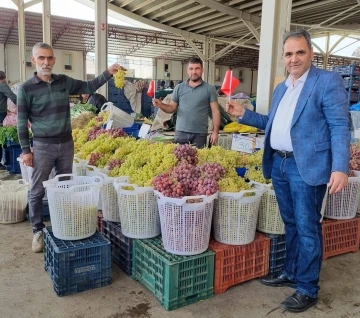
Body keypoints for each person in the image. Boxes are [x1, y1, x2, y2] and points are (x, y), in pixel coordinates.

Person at [226, 30, 350, 313]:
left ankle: (307, 288)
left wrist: (340, 167)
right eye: (289, 54)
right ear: (283, 58)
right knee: (291, 223)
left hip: (306, 166)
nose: (294, 59)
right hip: (280, 164)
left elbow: (340, 126)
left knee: (307, 227)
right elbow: (273, 122)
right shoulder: (282, 87)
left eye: (300, 52)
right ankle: (291, 272)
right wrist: (243, 114)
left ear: (311, 54)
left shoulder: (326, 81)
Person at [17, 42, 125, 253]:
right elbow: (21, 122)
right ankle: (37, 231)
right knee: (38, 190)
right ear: (34, 60)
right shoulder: (26, 88)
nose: (46, 62)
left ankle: (64, 222)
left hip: (66, 144)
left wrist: (108, 72)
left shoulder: (63, 82)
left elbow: (89, 86)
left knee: (65, 186)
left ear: (54, 60)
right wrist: (25, 150)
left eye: (49, 58)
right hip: (42, 146)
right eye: (41, 58)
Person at [152, 57, 220, 148]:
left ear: (202, 70)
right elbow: (172, 108)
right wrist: (161, 105)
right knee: (180, 160)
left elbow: (216, 111)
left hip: (200, 134)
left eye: (197, 68)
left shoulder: (209, 89)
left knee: (198, 160)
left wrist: (215, 132)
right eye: (191, 69)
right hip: (181, 133)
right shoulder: (179, 88)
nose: (194, 72)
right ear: (187, 70)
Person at [0, 71, 17, 170]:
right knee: (1, 137)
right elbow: (12, 96)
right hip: (0, 113)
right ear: (4, 78)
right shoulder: (2, 85)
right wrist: (23, 106)